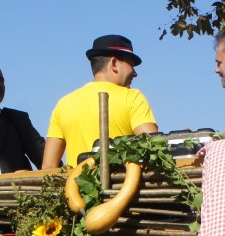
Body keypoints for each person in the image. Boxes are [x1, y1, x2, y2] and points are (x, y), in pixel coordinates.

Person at [41, 35, 159, 169]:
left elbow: (48, 166)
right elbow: (154, 148)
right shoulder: (132, 97)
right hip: (121, 188)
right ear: (114, 64)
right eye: (131, 65)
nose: (135, 73)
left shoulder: (64, 103)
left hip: (76, 188)